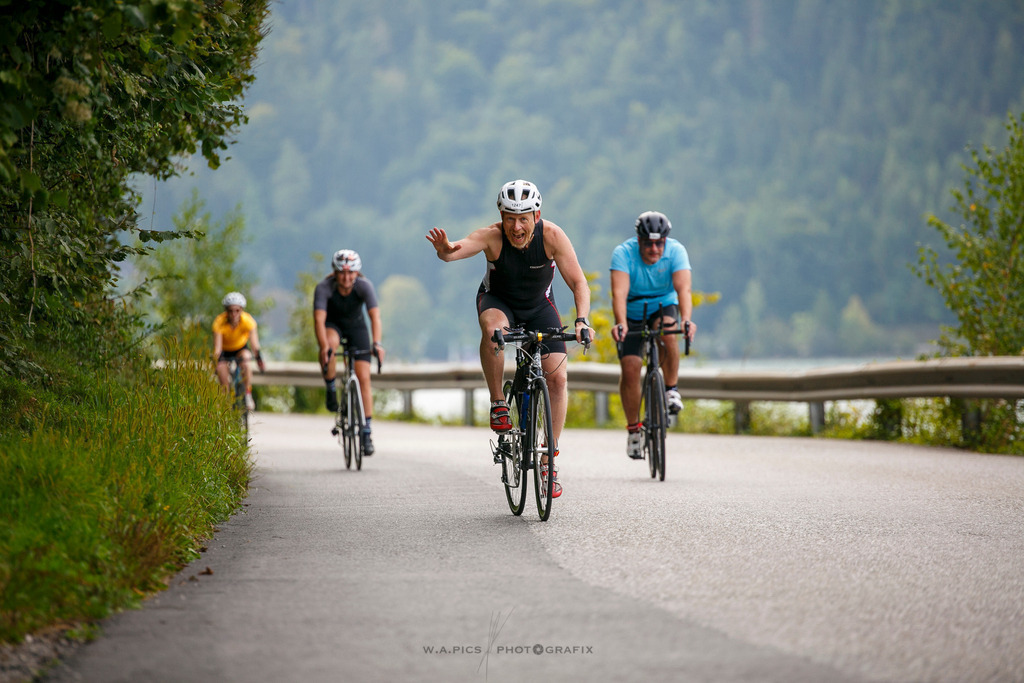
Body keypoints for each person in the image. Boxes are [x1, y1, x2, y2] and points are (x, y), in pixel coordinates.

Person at [426, 179, 592, 498]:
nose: (516, 227)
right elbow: (455, 251)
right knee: (494, 332)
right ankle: (498, 403)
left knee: (557, 379)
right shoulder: (492, 236)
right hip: (498, 303)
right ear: (501, 216)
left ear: (537, 215)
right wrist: (445, 251)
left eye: (523, 218)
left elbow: (579, 283)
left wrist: (582, 320)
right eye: (510, 218)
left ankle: (549, 460)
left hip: (539, 307)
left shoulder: (553, 237)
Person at [610, 211, 696, 459]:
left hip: (663, 305)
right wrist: (622, 324)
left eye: (660, 243)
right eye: (648, 243)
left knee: (668, 331)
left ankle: (671, 390)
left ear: (666, 242)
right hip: (633, 309)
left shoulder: (677, 252)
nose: (655, 249)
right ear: (639, 241)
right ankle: (634, 430)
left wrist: (687, 320)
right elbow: (619, 294)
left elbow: (684, 290)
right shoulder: (623, 254)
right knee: (630, 368)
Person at [314, 249, 385, 456]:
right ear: (335, 273)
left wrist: (378, 343)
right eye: (342, 273)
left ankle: (366, 432)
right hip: (332, 325)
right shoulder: (324, 288)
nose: (346, 278)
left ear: (357, 273)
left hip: (356, 327)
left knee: (363, 378)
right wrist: (324, 347)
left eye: (350, 273)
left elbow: (375, 317)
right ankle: (330, 386)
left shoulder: (365, 286)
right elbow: (319, 320)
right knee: (330, 345)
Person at [212, 291, 266, 410]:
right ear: (226, 311)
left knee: (246, 361)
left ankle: (247, 394)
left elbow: (254, 344)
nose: (234, 314)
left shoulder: (248, 321)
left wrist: (259, 359)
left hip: (240, 348)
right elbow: (217, 348)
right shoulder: (219, 322)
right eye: (230, 311)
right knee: (222, 371)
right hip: (224, 350)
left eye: (237, 310)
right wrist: (215, 363)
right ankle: (225, 400)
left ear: (241, 310)